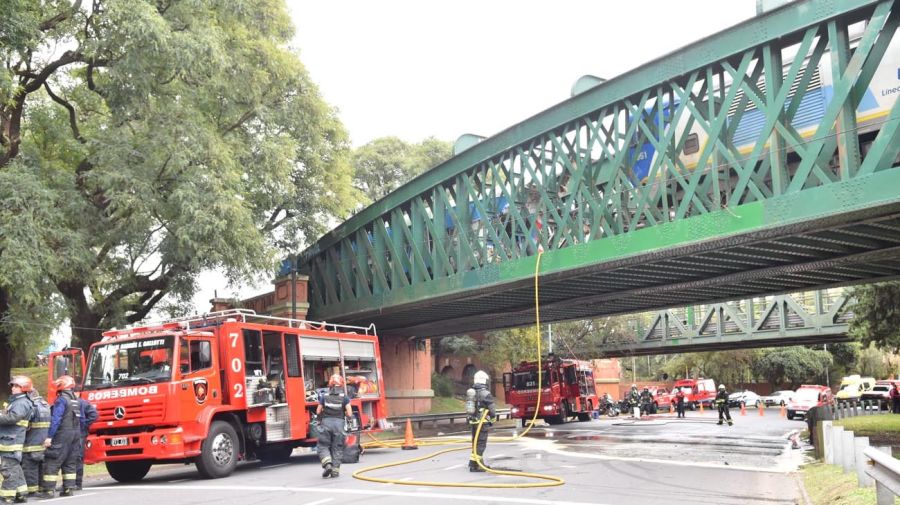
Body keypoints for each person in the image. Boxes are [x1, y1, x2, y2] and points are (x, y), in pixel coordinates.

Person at [39, 375, 82, 498]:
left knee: (52, 460)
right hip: (75, 434)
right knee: (70, 461)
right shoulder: (76, 400)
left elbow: (56, 419)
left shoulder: (62, 400)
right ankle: (68, 489)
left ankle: (48, 491)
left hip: (63, 434)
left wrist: (49, 437)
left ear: (60, 386)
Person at [0, 376, 35, 504]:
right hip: (9, 440)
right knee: (15, 469)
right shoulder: (17, 401)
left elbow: (12, 418)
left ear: (24, 388)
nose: (13, 388)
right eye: (13, 386)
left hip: (11, 442)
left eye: (16, 386)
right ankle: (21, 494)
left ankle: (7, 497)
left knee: (8, 469)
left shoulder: (22, 402)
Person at [315, 374, 352, 479]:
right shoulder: (344, 398)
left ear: (330, 385)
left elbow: (318, 411)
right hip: (339, 425)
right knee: (337, 448)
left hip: (326, 424)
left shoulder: (324, 396)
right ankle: (335, 471)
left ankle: (327, 465)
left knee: (323, 445)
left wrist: (319, 420)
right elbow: (349, 413)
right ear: (341, 385)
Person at [22, 387, 51, 497]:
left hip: (31, 443)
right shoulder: (46, 405)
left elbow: (24, 424)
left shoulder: (31, 406)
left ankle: (32, 490)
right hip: (43, 443)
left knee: (30, 468)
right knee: (41, 466)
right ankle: (42, 487)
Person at [467, 370, 496, 472]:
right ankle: (477, 465)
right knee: (481, 443)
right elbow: (492, 410)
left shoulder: (471, 392)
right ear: (484, 381)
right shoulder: (486, 394)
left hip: (473, 422)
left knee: (475, 442)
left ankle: (473, 463)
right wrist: (492, 419)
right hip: (482, 423)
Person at [73, 399, 98, 490]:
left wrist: (84, 425)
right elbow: (94, 415)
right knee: (75, 458)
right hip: (78, 433)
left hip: (79, 434)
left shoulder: (81, 403)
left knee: (78, 458)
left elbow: (94, 415)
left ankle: (77, 483)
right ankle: (72, 483)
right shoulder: (82, 402)